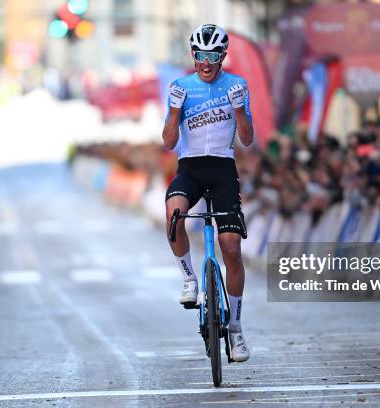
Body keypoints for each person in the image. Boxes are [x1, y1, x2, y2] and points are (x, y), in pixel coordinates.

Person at [162, 24, 254, 362]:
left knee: (231, 249)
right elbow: (169, 141)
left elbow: (247, 139)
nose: (206, 61)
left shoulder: (237, 85)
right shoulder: (180, 87)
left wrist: (240, 109)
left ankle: (237, 330)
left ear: (222, 56)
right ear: (193, 55)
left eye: (213, 55)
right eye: (201, 54)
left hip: (223, 171)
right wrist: (174, 110)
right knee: (174, 215)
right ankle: (189, 279)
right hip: (190, 168)